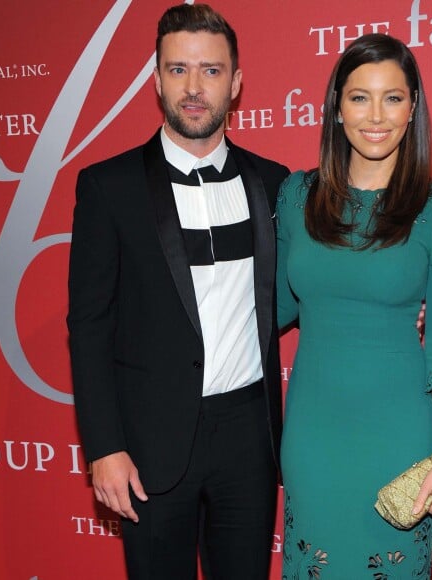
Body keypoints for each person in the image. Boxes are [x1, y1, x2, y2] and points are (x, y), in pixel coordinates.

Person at [67, 4, 289, 579]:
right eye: (178, 70)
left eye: (211, 71)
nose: (194, 88)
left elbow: (314, 281)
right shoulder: (107, 186)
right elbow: (88, 327)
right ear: (157, 78)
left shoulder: (274, 183)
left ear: (236, 83)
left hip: (249, 438)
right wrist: (103, 448)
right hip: (148, 440)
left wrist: (398, 308)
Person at [277, 33, 432, 578]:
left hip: (398, 435)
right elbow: (268, 310)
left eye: (393, 97)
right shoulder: (296, 198)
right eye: (360, 97)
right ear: (337, 108)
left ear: (413, 109)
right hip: (313, 435)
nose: (376, 115)